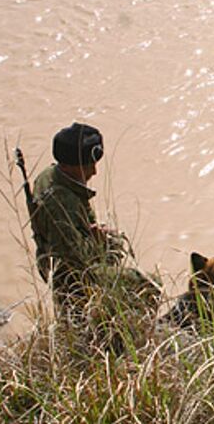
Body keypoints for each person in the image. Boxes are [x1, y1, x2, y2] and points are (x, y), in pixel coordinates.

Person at [31, 122, 159, 322]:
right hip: (72, 276)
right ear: (67, 165)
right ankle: (132, 330)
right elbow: (73, 259)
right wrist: (99, 242)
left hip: (63, 260)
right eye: (88, 166)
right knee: (150, 285)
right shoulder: (58, 202)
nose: (94, 172)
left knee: (117, 246)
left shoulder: (51, 176)